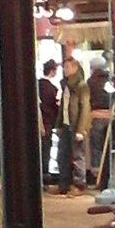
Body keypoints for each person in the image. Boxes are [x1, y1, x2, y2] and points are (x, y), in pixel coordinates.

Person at [39, 60, 68, 194]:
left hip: (39, 121)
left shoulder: (37, 85)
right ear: (52, 71)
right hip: (47, 122)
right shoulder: (51, 89)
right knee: (46, 150)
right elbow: (55, 106)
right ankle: (44, 177)